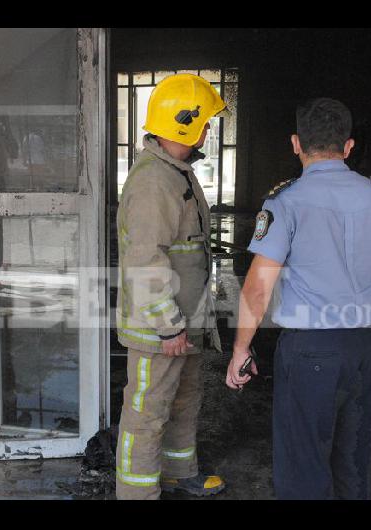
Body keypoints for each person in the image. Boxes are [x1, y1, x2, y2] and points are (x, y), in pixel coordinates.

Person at [226, 97, 371, 499]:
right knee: (353, 460)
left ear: (295, 143)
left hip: (311, 350)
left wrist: (241, 348)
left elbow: (258, 287)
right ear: (348, 146)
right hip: (367, 345)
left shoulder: (285, 202)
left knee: (303, 464)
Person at [115, 73, 227, 500]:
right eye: (205, 121)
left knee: (183, 400)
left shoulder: (176, 171)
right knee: (146, 414)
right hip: (160, 329)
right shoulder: (153, 182)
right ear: (186, 123)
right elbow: (145, 259)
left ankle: (181, 472)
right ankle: (137, 493)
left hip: (184, 320)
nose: (209, 130)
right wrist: (169, 326)